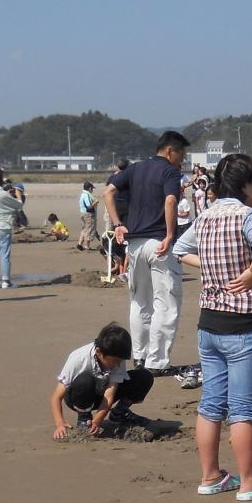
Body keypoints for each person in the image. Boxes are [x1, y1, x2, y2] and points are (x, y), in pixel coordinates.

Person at [183, 153, 252, 502]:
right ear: (245, 185)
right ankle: (249, 483)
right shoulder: (248, 215)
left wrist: (211, 267)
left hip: (208, 323)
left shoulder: (206, 215)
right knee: (242, 410)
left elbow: (181, 250)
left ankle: (210, 477)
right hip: (244, 324)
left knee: (210, 405)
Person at [104, 131, 189, 374]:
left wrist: (117, 223)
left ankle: (140, 357)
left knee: (139, 301)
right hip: (159, 242)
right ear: (170, 151)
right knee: (166, 302)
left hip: (136, 244)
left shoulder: (134, 169)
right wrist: (171, 235)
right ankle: (157, 361)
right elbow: (170, 201)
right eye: (181, 153)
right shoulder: (169, 171)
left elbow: (107, 192)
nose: (181, 160)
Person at [50, 322, 154, 440]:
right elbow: (56, 397)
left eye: (121, 361)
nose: (118, 364)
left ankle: (120, 413)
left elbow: (109, 395)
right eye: (115, 361)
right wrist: (60, 423)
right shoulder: (78, 359)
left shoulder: (117, 358)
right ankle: (84, 418)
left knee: (144, 377)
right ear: (99, 352)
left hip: (102, 394)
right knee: (85, 381)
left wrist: (98, 419)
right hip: (78, 395)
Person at [0, 168, 24, 290]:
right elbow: (19, 205)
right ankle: (6, 281)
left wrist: (5, 186)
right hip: (4, 226)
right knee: (5, 254)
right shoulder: (2, 194)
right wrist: (18, 195)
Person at [77, 181, 98, 251]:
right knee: (89, 230)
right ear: (89, 188)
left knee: (85, 229)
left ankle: (80, 244)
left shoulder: (82, 194)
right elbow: (89, 206)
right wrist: (95, 202)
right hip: (88, 214)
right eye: (92, 188)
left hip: (83, 214)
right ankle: (87, 246)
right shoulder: (86, 195)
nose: (92, 190)